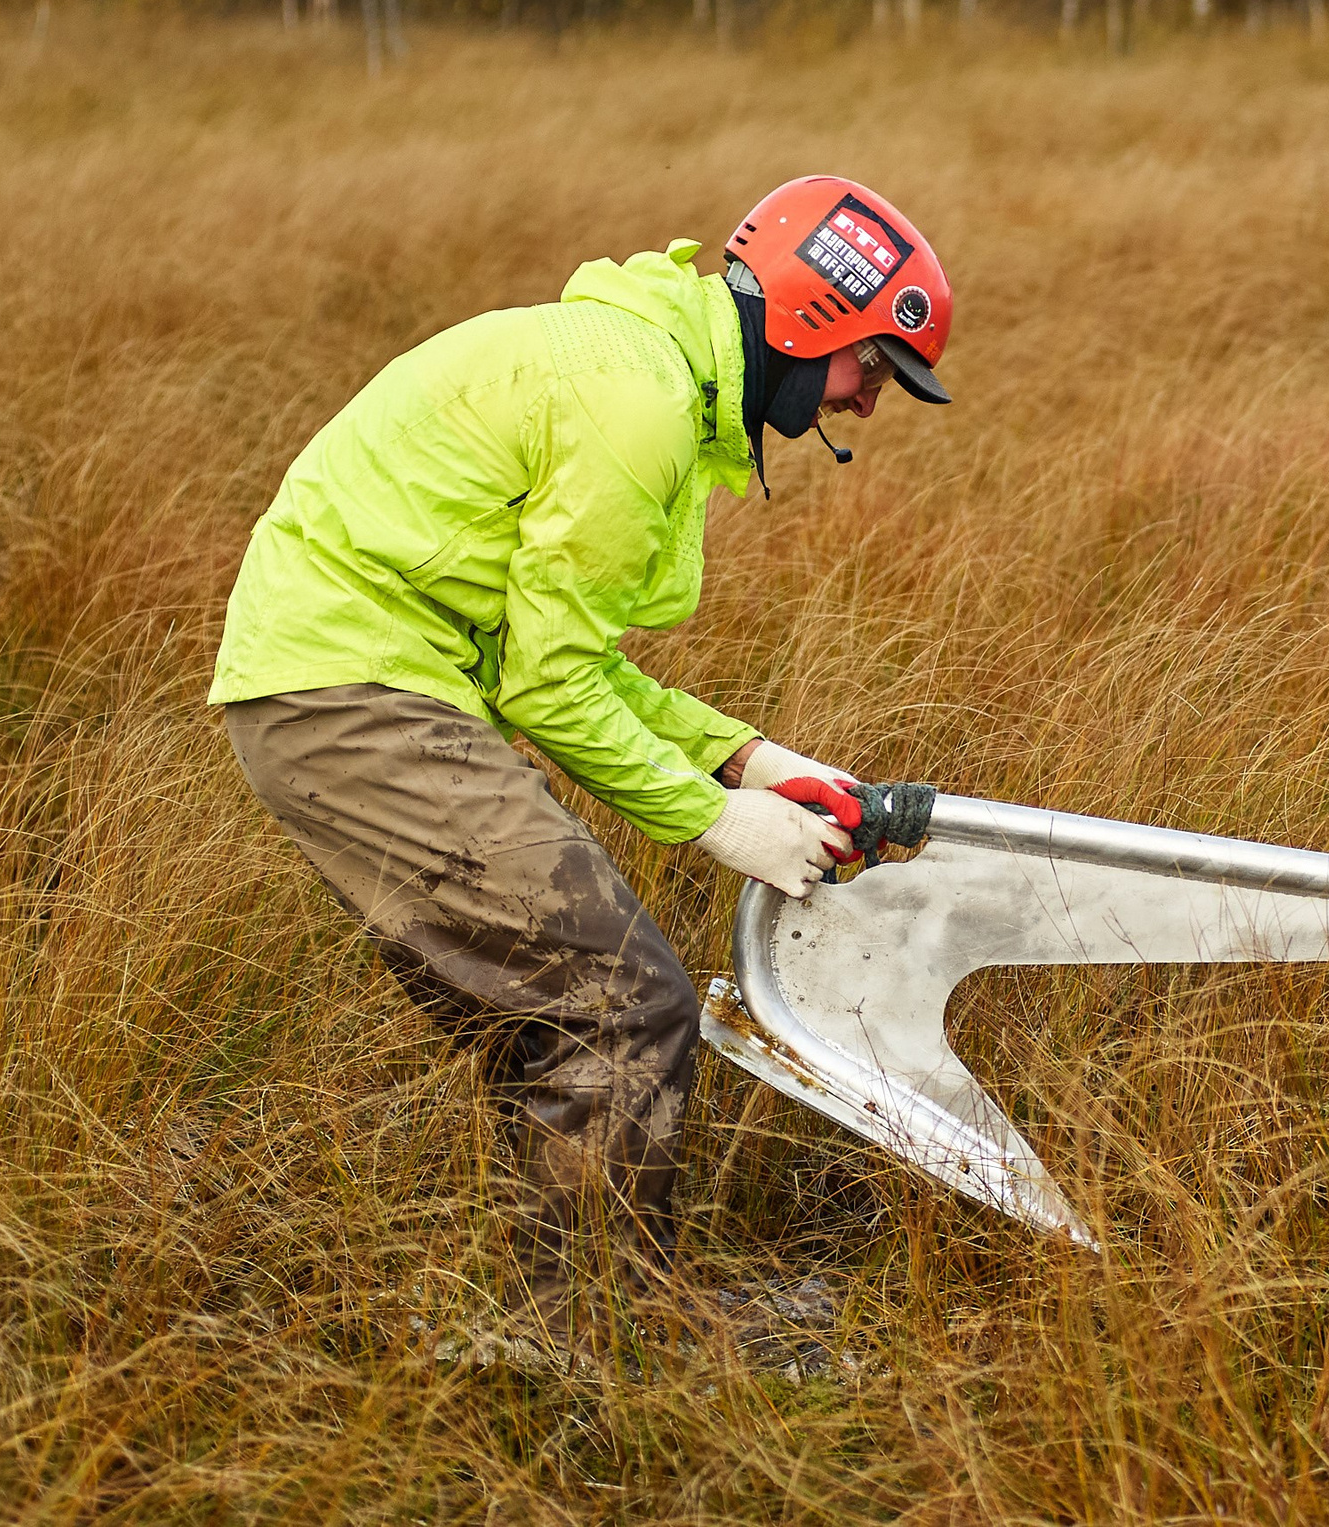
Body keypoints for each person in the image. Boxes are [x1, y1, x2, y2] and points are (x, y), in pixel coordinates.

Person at [208, 177, 953, 1330]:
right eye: (872, 368)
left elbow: (567, 659)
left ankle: (566, 1322)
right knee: (622, 1004)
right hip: (350, 694)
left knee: (555, 1017)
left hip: (350, 688)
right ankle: (592, 1348)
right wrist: (715, 820)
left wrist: (750, 761)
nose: (865, 400)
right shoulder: (636, 401)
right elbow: (546, 684)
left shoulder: (644, 370)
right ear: (811, 322)